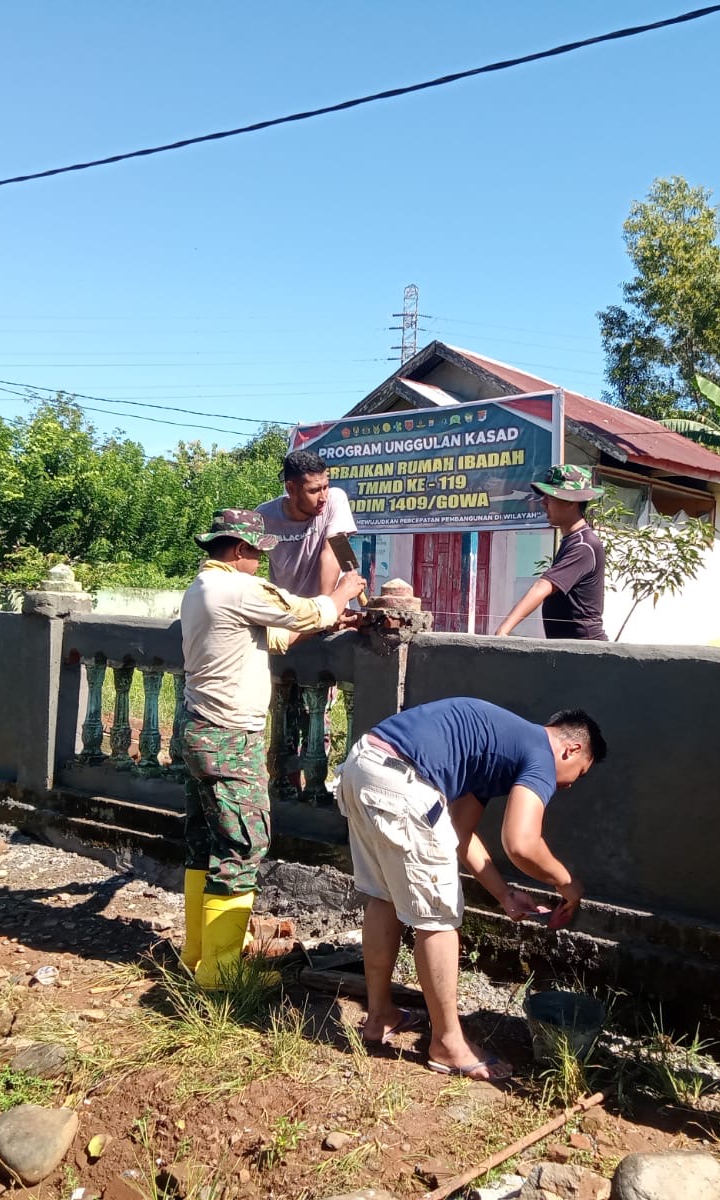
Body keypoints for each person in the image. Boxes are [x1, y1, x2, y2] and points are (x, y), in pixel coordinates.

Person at [334, 697, 606, 1080]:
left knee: (385, 897)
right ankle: (447, 1045)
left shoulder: (498, 751)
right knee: (440, 920)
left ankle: (380, 1015)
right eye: (575, 774)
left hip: (364, 766)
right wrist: (568, 884)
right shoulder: (541, 755)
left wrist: (504, 895)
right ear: (571, 748)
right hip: (401, 781)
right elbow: (522, 843)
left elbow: (458, 834)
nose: (565, 786)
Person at [179, 508, 364, 988]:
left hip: (201, 729)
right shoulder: (238, 588)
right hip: (229, 738)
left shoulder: (202, 588)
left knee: (208, 842)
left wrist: (327, 619)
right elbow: (301, 609)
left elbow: (276, 635)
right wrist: (340, 594)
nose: (259, 564)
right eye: (257, 556)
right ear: (240, 550)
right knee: (243, 844)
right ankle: (221, 975)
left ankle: (197, 954)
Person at [256, 450, 359, 800]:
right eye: (314, 490)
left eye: (326, 486)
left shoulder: (335, 501)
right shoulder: (264, 517)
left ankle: (314, 793)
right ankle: (285, 788)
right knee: (283, 713)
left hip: (320, 624)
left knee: (318, 714)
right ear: (290, 488)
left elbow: (335, 552)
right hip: (285, 624)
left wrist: (326, 607)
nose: (323, 496)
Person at [493, 464, 607, 640]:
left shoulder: (584, 545)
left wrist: (502, 632)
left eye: (550, 497)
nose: (543, 502)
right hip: (568, 651)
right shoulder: (572, 540)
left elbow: (543, 586)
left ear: (571, 501)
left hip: (586, 652)